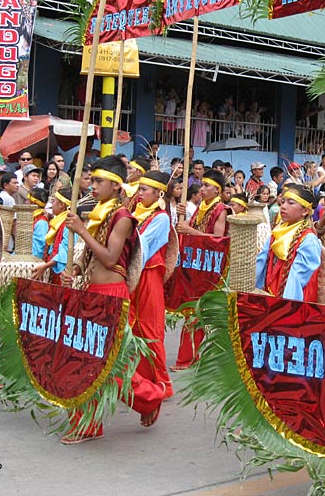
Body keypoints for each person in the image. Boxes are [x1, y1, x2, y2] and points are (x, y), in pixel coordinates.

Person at [61, 156, 165, 444]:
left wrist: (81, 230)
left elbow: (109, 258)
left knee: (106, 364)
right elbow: (91, 256)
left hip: (111, 296)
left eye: (98, 181)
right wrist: (77, 270)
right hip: (92, 292)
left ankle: (150, 397)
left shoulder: (122, 218)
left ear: (117, 186)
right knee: (86, 358)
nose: (92, 186)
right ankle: (89, 423)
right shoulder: (100, 212)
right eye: (91, 180)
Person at [173, 169, 230, 371]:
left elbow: (218, 240)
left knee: (199, 313)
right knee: (192, 311)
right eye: (202, 185)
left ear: (217, 189)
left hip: (210, 268)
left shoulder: (221, 209)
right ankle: (191, 357)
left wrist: (190, 231)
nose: (202, 189)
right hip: (195, 266)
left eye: (207, 186)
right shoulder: (200, 207)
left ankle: (190, 358)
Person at [130, 170, 174, 398]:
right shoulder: (134, 212)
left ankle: (162, 382)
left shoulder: (161, 218)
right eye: (139, 189)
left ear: (158, 193)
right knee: (131, 326)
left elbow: (142, 246)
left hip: (148, 276)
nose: (139, 194)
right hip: (134, 276)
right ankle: (140, 378)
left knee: (149, 328)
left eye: (144, 190)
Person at [255, 184, 322, 302]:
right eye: (283, 201)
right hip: (269, 298)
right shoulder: (277, 231)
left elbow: (296, 280)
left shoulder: (308, 240)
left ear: (305, 211)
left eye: (290, 203)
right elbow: (260, 263)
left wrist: (283, 309)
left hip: (291, 305)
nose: (283, 206)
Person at [32, 187, 74, 285]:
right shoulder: (58, 222)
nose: (51, 205)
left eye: (54, 201)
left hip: (63, 274)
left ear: (61, 204)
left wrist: (45, 266)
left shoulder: (69, 224)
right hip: (54, 271)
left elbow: (64, 253)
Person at [27, 187, 49, 260]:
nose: (25, 202)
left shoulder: (41, 223)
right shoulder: (32, 219)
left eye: (28, 200)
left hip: (32, 261)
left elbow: (39, 249)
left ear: (33, 203)